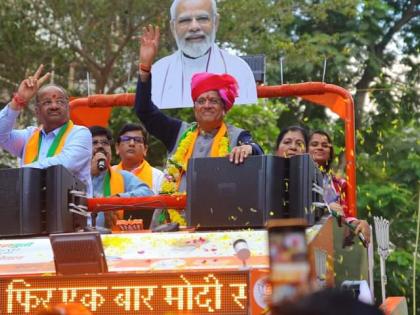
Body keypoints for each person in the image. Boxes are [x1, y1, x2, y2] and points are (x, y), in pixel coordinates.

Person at [135, 25, 263, 228]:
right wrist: (145, 68)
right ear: (194, 107)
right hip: (170, 225)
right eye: (201, 100)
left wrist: (248, 148)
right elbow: (144, 111)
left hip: (218, 224)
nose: (206, 105)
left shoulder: (236, 135)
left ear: (224, 108)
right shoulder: (178, 132)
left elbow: (256, 149)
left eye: (213, 101)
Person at [0, 65, 92, 194]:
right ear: (37, 112)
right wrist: (18, 100)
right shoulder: (29, 136)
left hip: (68, 212)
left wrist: (17, 174)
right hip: (29, 210)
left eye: (60, 102)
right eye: (47, 102)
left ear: (68, 108)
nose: (54, 106)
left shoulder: (80, 133)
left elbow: (64, 164)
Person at [151, 0, 257, 108]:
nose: (194, 27)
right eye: (185, 20)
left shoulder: (239, 70)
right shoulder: (157, 73)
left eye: (202, 19)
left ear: (216, 22)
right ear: (173, 27)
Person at [308, 130, 371, 243]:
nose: (320, 148)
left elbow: (344, 219)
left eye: (325, 145)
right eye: (314, 144)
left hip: (331, 246)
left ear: (330, 153)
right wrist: (327, 208)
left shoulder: (338, 185)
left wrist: (359, 223)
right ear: (305, 150)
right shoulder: (295, 178)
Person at [89, 126, 153, 229]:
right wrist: (90, 174)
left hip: (114, 239)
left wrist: (116, 200)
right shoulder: (74, 177)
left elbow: (148, 193)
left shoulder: (123, 176)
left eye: (105, 143)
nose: (100, 146)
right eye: (94, 143)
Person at [113, 123, 164, 194]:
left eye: (137, 140)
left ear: (145, 149)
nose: (131, 143)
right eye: (126, 139)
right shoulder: (108, 174)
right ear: (117, 148)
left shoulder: (158, 177)